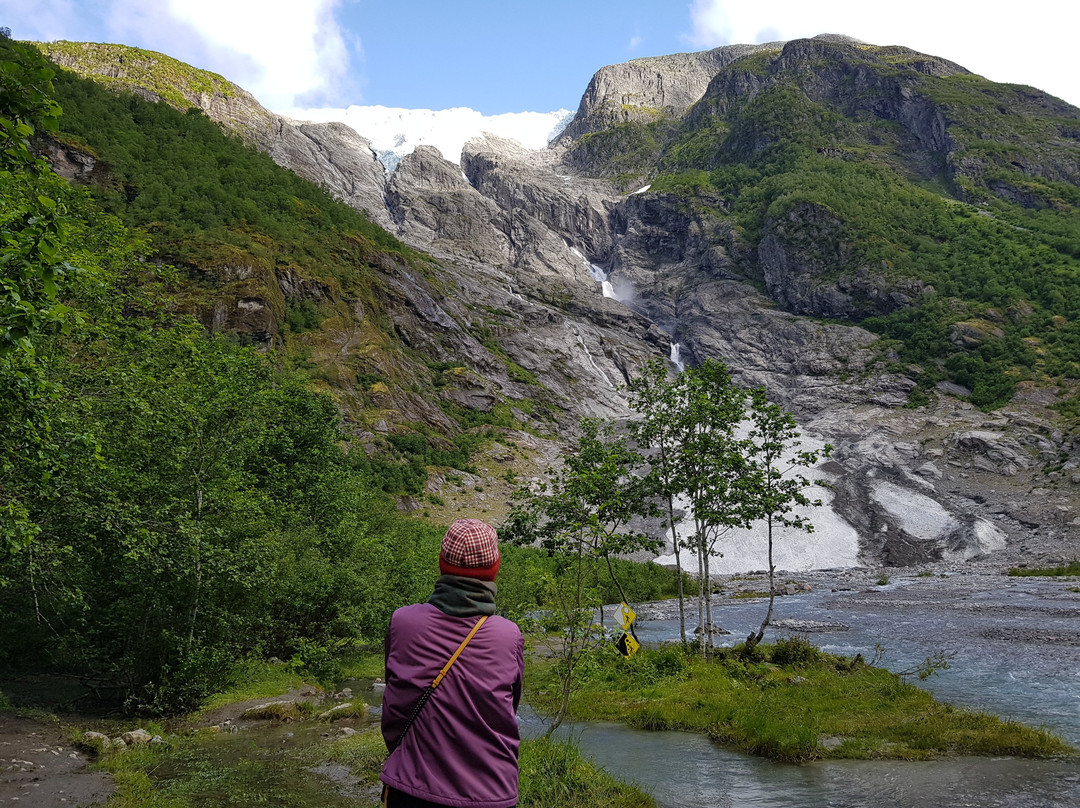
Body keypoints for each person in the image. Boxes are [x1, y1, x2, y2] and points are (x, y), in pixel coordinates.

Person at [380, 518, 524, 808]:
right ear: (494, 569)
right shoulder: (508, 635)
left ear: (441, 564)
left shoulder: (403, 622)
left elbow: (394, 706)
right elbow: (510, 708)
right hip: (491, 794)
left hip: (411, 787)